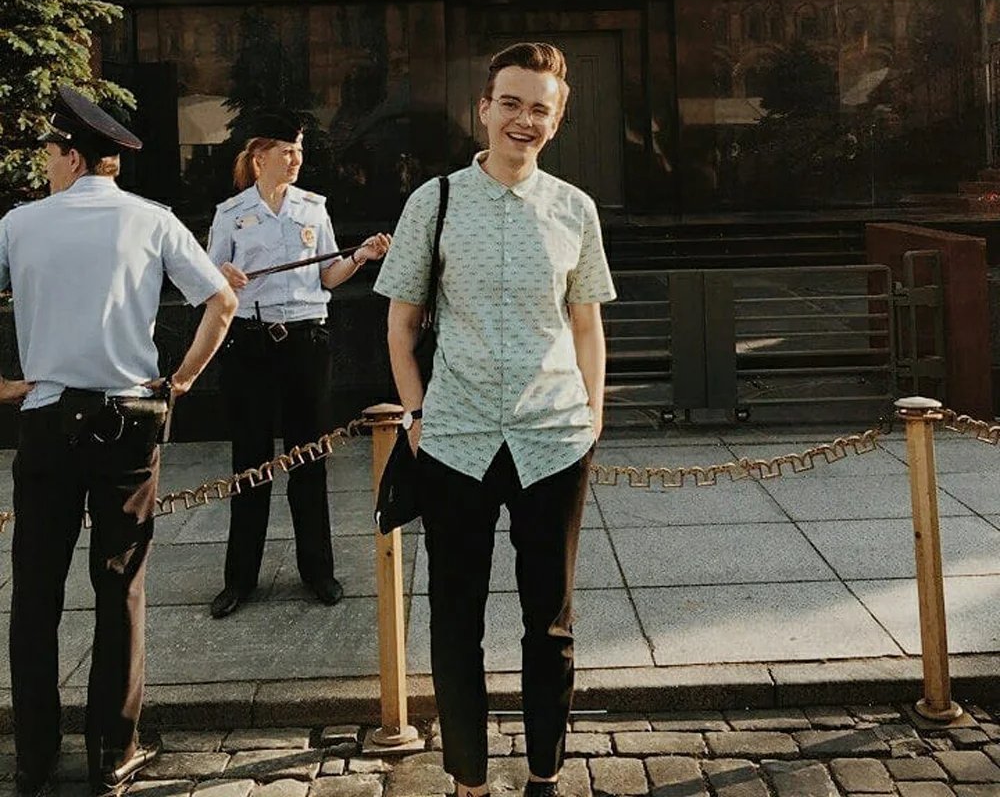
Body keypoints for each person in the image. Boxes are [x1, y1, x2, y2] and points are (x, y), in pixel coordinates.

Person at [375, 43, 616, 797]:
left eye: (540, 108)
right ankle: (469, 783)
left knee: (552, 624)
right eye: (510, 103)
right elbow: (401, 324)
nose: (523, 119)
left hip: (553, 440)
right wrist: (417, 415)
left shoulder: (575, 209)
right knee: (456, 623)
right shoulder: (435, 201)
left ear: (557, 120)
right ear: (483, 109)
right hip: (456, 440)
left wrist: (593, 415)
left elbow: (586, 323)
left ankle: (545, 775)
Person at [1, 86, 238, 797]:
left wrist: (2, 385)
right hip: (127, 422)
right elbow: (222, 301)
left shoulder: (18, 224)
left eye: (50, 152)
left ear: (73, 156)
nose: (46, 163)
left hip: (47, 418)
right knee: (120, 587)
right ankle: (113, 750)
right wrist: (181, 381)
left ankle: (34, 755)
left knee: (35, 591)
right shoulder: (152, 220)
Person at [206, 112, 390, 619]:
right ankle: (240, 579)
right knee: (250, 463)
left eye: (300, 151)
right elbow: (207, 279)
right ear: (259, 158)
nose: (296, 160)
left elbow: (328, 276)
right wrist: (222, 276)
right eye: (287, 151)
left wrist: (361, 257)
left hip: (306, 343)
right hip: (251, 344)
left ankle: (318, 571)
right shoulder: (231, 213)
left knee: (309, 458)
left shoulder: (313, 208)